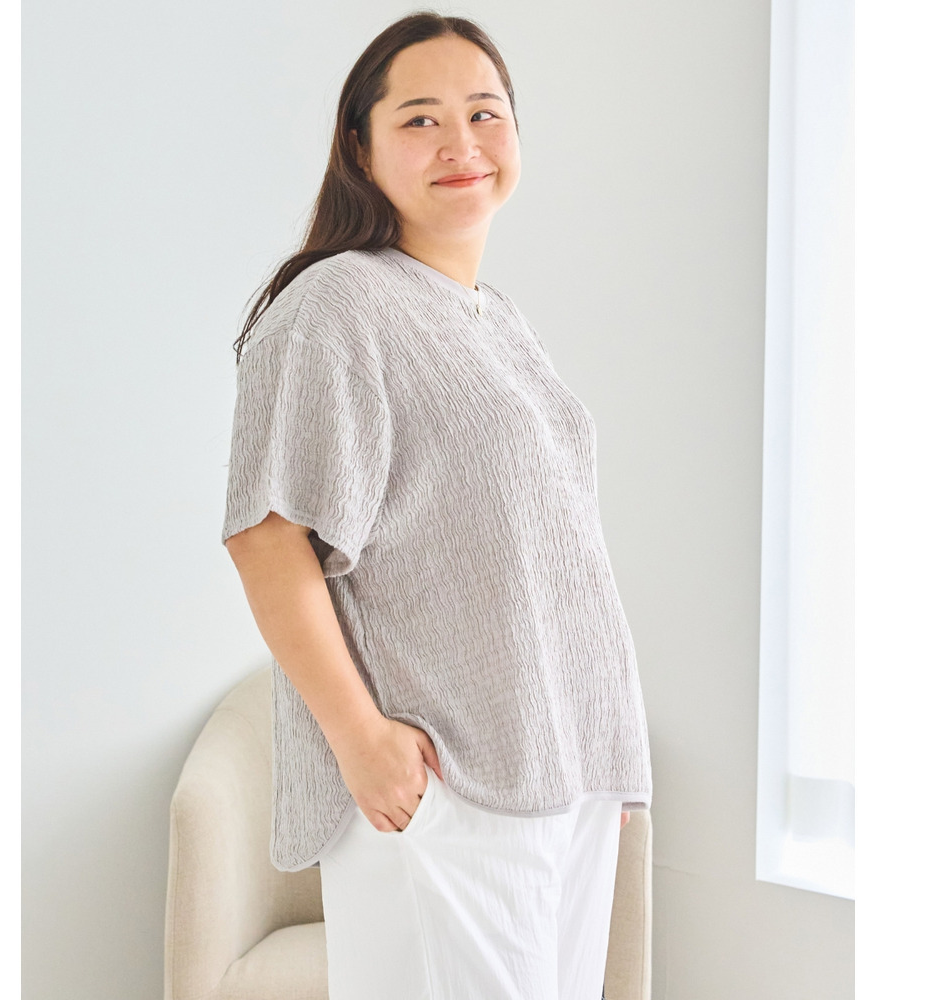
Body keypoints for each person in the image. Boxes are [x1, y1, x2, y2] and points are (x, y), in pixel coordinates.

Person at [221, 11, 652, 1000]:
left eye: (484, 113)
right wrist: (361, 741)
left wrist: (595, 746)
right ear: (360, 149)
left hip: (562, 778)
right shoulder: (337, 305)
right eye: (420, 119)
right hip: (445, 784)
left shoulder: (496, 318)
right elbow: (269, 536)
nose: (461, 143)